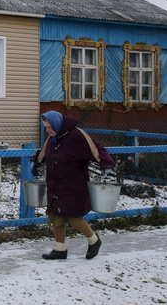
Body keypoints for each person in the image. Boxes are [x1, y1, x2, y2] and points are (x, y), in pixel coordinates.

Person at [31, 110, 115, 260]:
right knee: (55, 218)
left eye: (49, 127)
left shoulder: (77, 136)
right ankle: (60, 249)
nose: (47, 130)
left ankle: (94, 240)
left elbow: (96, 149)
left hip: (73, 185)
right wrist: (37, 162)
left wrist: (106, 164)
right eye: (45, 127)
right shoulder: (53, 138)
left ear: (57, 124)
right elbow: (44, 153)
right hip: (55, 183)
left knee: (73, 218)